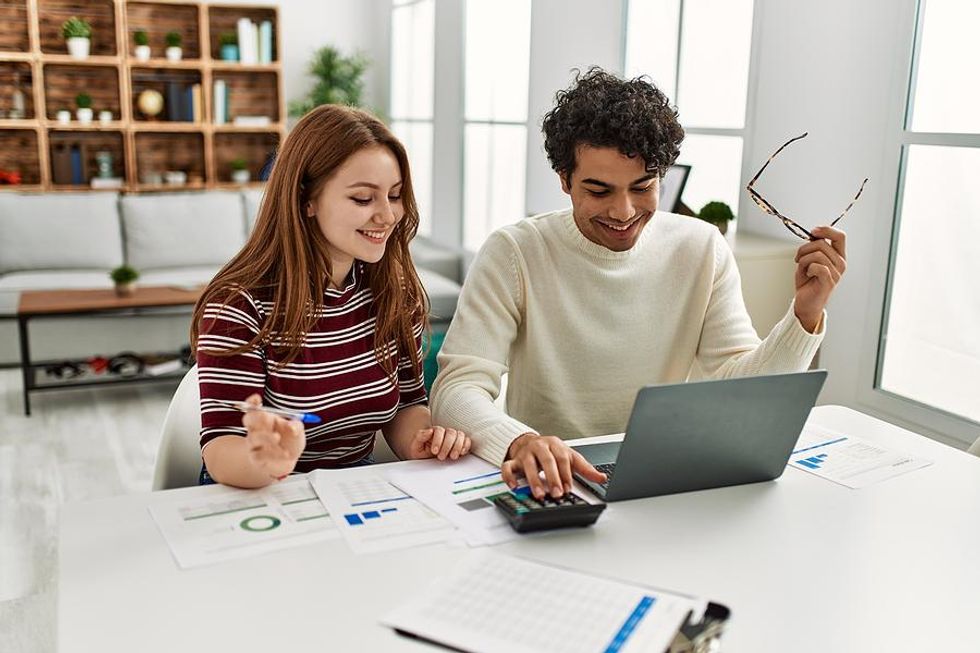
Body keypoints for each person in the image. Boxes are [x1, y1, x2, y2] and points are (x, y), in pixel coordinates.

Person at [431, 68, 846, 500]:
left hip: (665, 476)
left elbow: (743, 390)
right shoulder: (514, 252)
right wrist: (519, 441)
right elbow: (456, 391)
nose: (624, 211)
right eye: (598, 190)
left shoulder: (701, 246)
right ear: (564, 180)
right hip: (553, 480)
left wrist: (805, 314)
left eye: (642, 186)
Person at [191, 104, 470, 489]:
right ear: (306, 199)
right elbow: (222, 446)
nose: (388, 216)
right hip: (257, 494)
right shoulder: (238, 306)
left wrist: (421, 441)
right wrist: (266, 460)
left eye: (394, 195)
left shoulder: (394, 292)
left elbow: (406, 405)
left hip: (351, 491)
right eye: (362, 199)